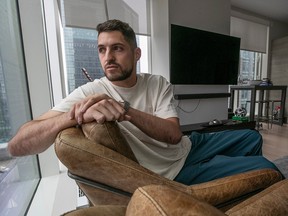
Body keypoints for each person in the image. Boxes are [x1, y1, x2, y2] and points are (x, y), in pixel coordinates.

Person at [8, 19, 280, 185]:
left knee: (251, 137)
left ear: (136, 53)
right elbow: (18, 145)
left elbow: (174, 135)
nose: (108, 57)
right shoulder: (90, 93)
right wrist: (71, 117)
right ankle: (230, 178)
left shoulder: (157, 82)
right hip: (174, 170)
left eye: (117, 48)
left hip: (188, 146)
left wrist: (125, 111)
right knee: (267, 168)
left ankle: (236, 183)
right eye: (102, 49)